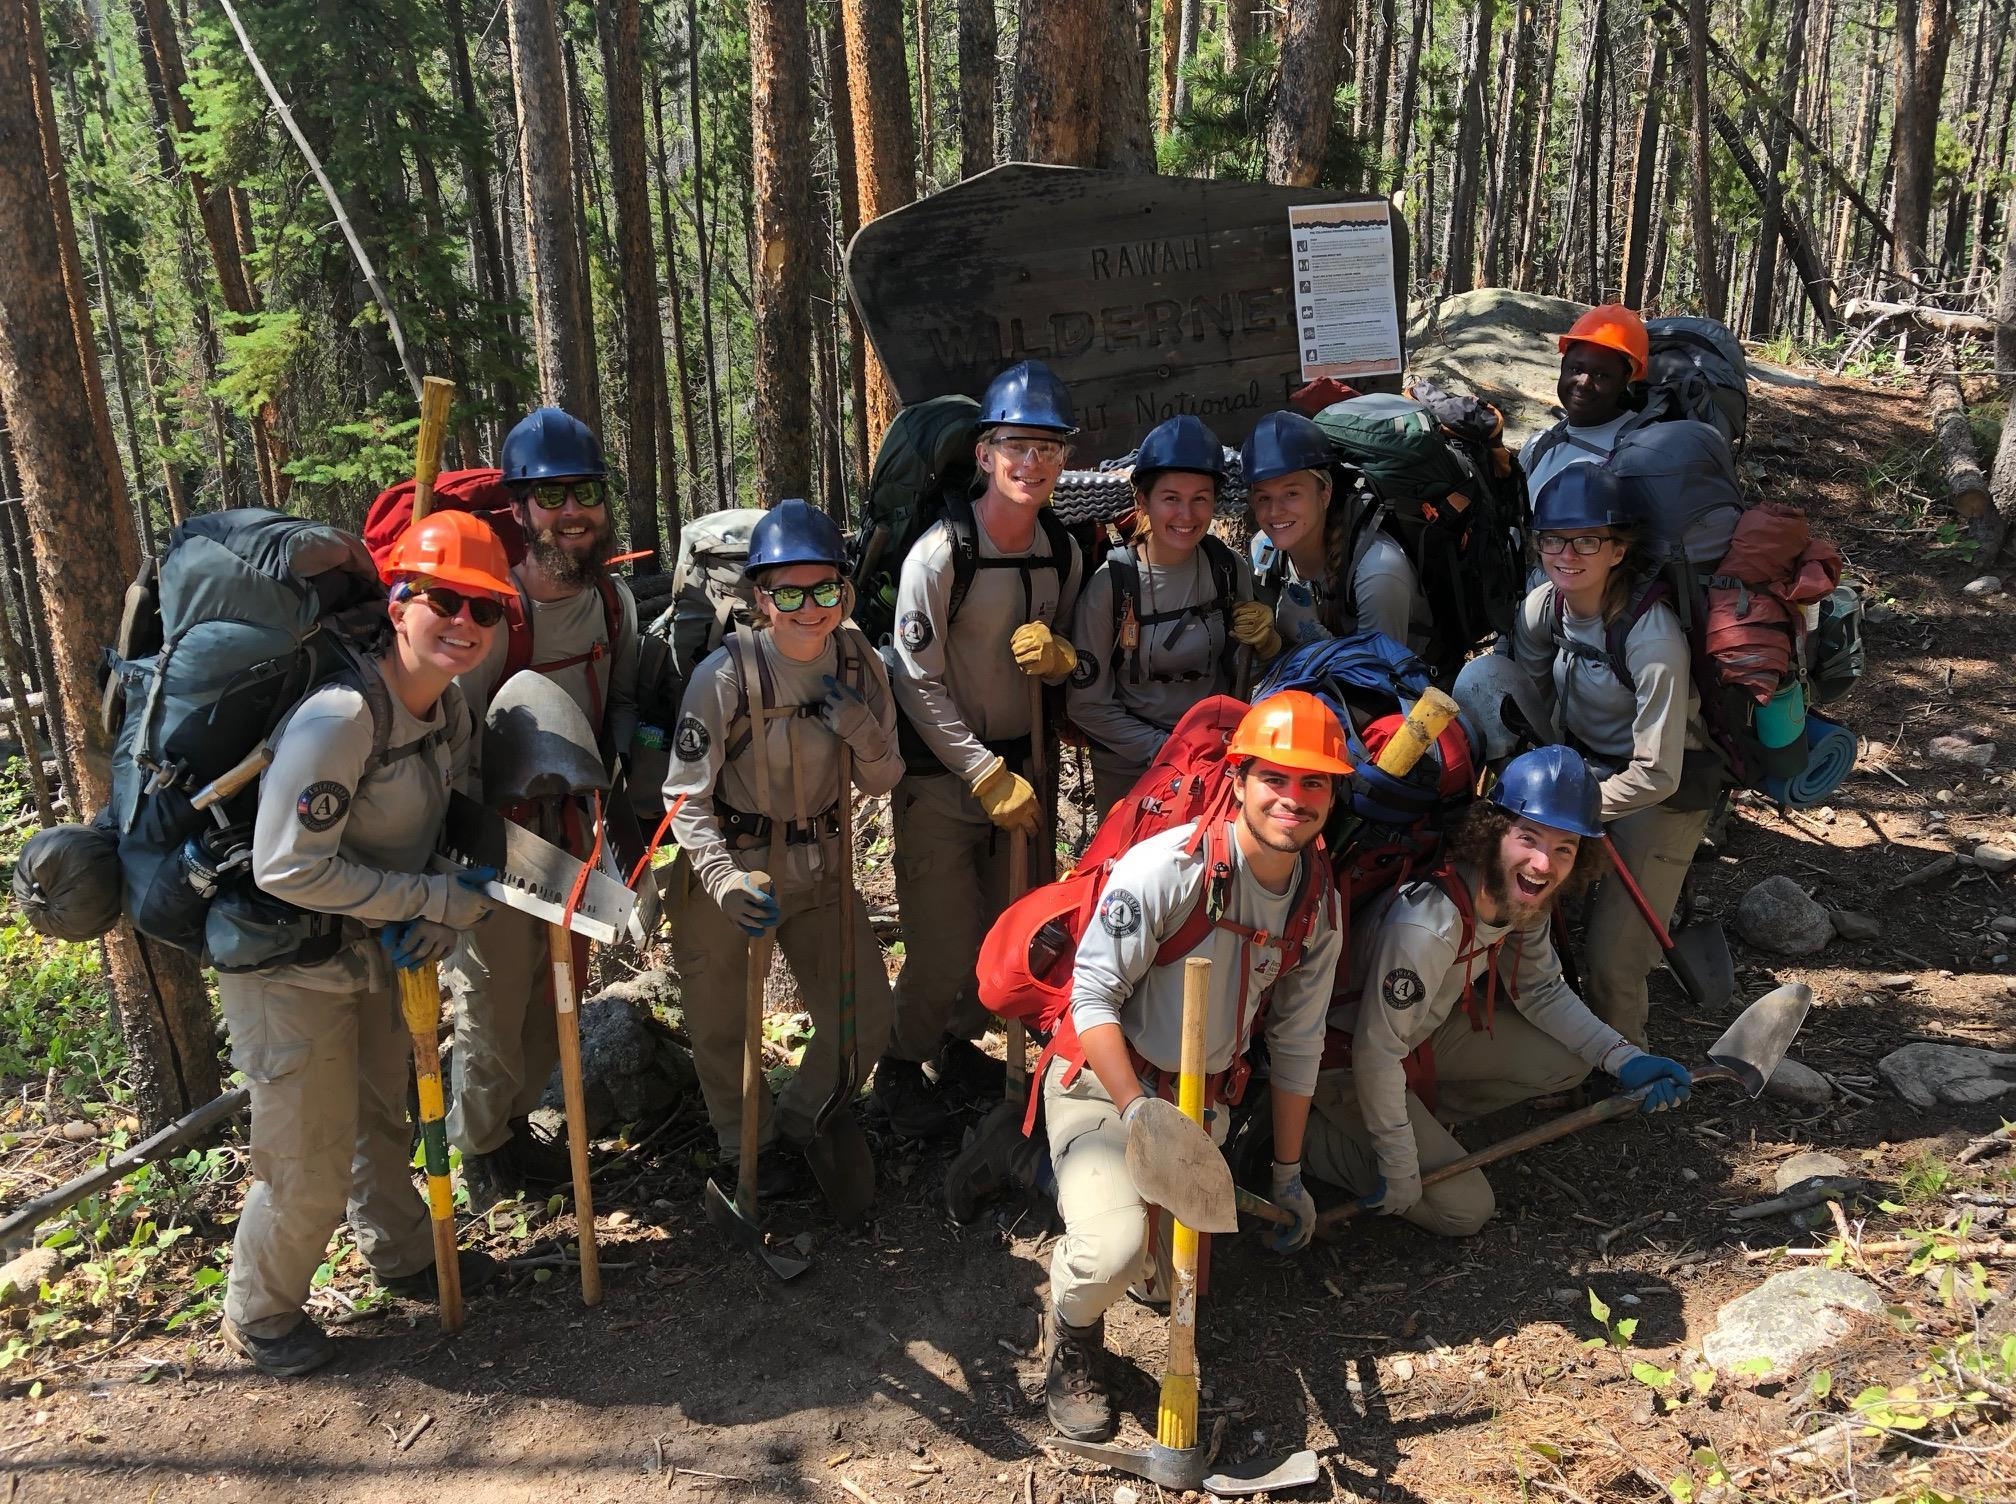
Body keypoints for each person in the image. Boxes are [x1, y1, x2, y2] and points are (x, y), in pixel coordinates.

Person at [218, 512, 513, 1376]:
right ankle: (261, 1313)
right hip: (287, 964)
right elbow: (283, 867)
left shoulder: (446, 711)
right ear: (398, 602)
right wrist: (425, 898)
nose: (464, 623)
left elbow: (434, 837)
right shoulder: (340, 718)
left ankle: (404, 1254)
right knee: (304, 1161)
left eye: (485, 609)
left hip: (373, 951)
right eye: (445, 601)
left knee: (388, 1120)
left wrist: (432, 912)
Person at [1040, 691, 1348, 1442]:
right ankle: (1072, 1339)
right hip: (1105, 1088)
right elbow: (1092, 998)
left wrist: (1286, 1173)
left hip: (1199, 1104)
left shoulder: (1316, 904)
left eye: (1314, 783)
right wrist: (1138, 1112)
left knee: (1171, 1285)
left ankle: (1056, 1181)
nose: (1294, 799)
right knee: (1112, 1259)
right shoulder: (1166, 870)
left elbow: (1299, 1043)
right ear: (1238, 780)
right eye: (1276, 778)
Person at [1303, 746, 1694, 1239]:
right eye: (1528, 839)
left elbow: (1541, 991)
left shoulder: (1519, 900)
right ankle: (1313, 1141)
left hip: (1418, 1038)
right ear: (1491, 835)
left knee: (1569, 1062)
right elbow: (1374, 1054)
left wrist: (1623, 1058)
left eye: (1563, 849)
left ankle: (1408, 1124)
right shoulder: (1427, 926)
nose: (1542, 863)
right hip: (1343, 1060)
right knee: (1463, 1211)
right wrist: (1399, 1163)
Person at [873, 359, 1085, 1139]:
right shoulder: (938, 555)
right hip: (943, 776)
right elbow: (912, 680)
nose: (1032, 464)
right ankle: (899, 1067)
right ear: (987, 454)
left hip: (1024, 771)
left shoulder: (1060, 552)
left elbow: (1075, 655)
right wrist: (981, 771)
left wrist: (1064, 661)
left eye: (1049, 450)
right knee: (941, 939)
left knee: (1009, 925)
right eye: (1017, 447)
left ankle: (958, 1050)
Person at [662, 499, 901, 1189]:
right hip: (732, 870)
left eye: (824, 588)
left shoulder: (860, 664)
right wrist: (723, 881)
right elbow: (684, 794)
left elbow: (885, 779)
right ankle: (754, 1152)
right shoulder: (725, 677)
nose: (809, 607)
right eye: (787, 592)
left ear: (845, 589)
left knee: (864, 1018)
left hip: (821, 870)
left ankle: (804, 1123)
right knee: (720, 1028)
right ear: (760, 598)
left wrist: (864, 731)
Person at [444, 406, 642, 1208]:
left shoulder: (615, 602)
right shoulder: (489, 615)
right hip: (493, 843)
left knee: (553, 996)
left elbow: (620, 708)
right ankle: (481, 1151)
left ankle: (517, 1132)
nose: (572, 511)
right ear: (521, 509)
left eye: (585, 491)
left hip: (576, 836)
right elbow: (453, 747)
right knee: (493, 1007)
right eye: (551, 494)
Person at [1511, 467, 1716, 1045]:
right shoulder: (1543, 609)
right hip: (1584, 769)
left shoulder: (1652, 640)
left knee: (1612, 963)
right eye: (1554, 539)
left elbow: (1658, 772)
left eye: (1588, 540)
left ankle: (1630, 1072)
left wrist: (1569, 809)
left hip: (1662, 793)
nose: (1567, 553)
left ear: (1619, 549)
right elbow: (1532, 695)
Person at [1067, 414, 1282, 815]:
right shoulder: (1111, 585)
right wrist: (1169, 753)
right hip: (1130, 769)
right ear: (1142, 500)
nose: (1187, 514)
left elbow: (1239, 670)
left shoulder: (1227, 567)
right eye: (1171, 498)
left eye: (1200, 498)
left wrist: (1265, 645)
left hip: (1214, 763)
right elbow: (1087, 705)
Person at [1242, 409, 1432, 657]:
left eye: (1292, 493)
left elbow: (1381, 682)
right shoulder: (1263, 552)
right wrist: (1269, 645)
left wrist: (1310, 636)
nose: (1275, 511)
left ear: (1325, 493)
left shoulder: (1378, 572)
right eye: (1264, 497)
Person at [1520, 304, 1650, 503]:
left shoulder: (1643, 448)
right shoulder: (1540, 443)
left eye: (1601, 375)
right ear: (1563, 367)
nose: (1583, 383)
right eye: (1575, 369)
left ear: (1626, 379)